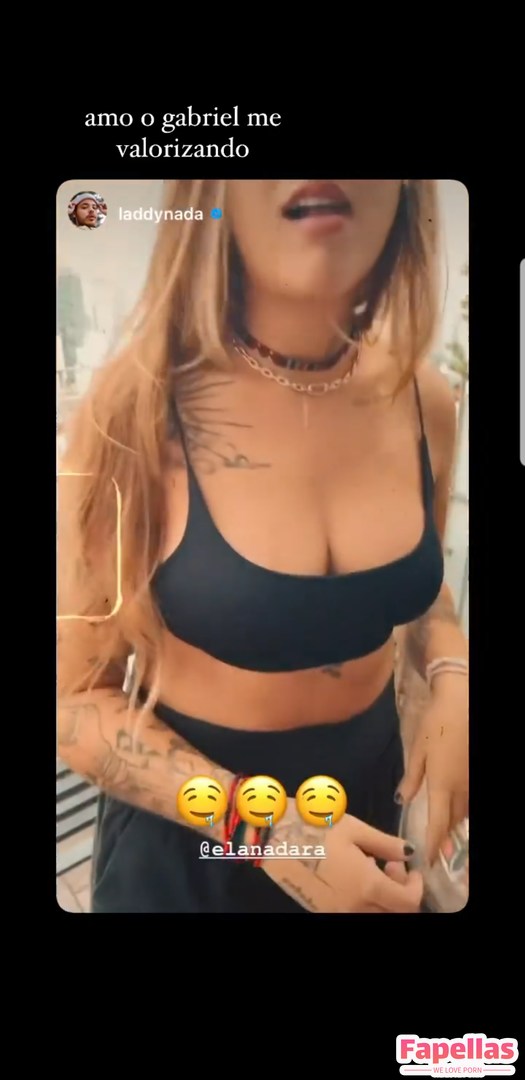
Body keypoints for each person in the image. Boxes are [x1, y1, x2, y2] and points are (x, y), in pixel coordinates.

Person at [57, 179, 469, 914]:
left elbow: (414, 577)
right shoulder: (137, 413)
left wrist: (453, 677)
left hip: (370, 809)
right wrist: (268, 831)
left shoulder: (424, 401)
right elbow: (72, 704)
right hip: (199, 845)